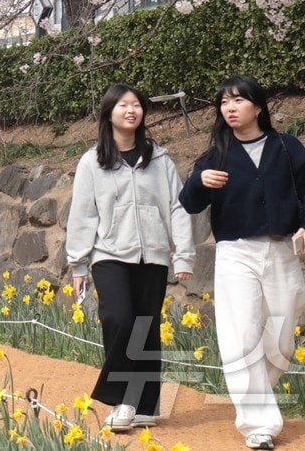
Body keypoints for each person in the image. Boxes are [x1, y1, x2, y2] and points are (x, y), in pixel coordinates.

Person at [179, 75, 305, 451]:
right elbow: (189, 202)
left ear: (257, 107)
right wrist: (199, 181)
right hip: (236, 252)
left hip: (281, 249)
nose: (229, 108)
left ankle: (253, 393)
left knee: (282, 337)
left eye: (238, 101)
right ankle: (258, 425)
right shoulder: (216, 156)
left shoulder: (286, 146)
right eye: (224, 102)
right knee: (241, 335)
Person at [66, 84, 195, 433]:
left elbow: (177, 207)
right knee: (118, 318)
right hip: (108, 253)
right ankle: (124, 399)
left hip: (152, 255)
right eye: (123, 105)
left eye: (136, 105)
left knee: (145, 326)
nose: (131, 110)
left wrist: (183, 256)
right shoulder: (92, 162)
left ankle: (146, 405)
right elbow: (82, 215)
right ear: (109, 113)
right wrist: (78, 264)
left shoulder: (160, 159)